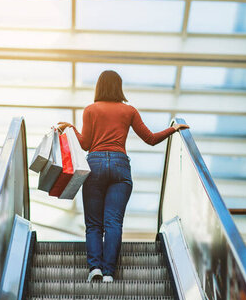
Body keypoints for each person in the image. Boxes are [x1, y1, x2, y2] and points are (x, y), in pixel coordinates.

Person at [57, 70, 189, 283]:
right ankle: (109, 273)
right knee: (113, 222)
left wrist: (70, 127)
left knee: (93, 224)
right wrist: (172, 129)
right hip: (120, 166)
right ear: (119, 87)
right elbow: (151, 139)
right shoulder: (129, 111)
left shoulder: (91, 110)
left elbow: (85, 144)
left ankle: (95, 269)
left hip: (95, 164)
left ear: (99, 86)